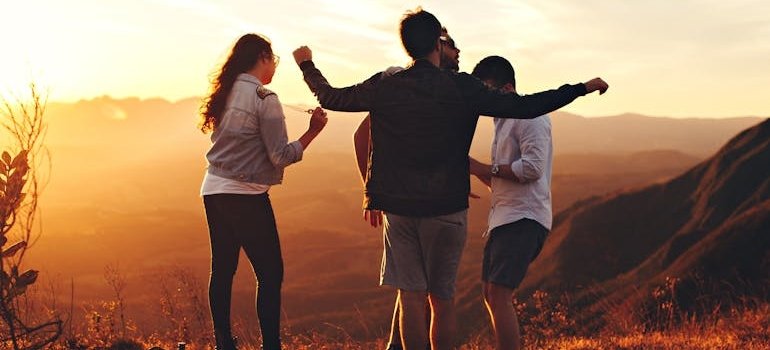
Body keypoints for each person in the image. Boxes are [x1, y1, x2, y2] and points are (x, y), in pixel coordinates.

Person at [293, 8, 608, 350]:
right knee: (442, 300)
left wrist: (307, 64)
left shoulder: (386, 85)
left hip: (398, 208)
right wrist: (581, 88)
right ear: (437, 45)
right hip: (447, 206)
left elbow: (331, 97)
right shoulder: (462, 87)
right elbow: (528, 106)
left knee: (411, 298)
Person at [199, 33, 328, 350]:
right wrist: (313, 132)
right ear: (263, 58)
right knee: (270, 273)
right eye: (274, 61)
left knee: (223, 269)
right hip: (246, 194)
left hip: (213, 189)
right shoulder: (264, 99)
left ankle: (223, 344)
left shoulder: (225, 93)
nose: (275, 68)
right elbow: (280, 156)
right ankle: (271, 345)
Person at [351, 27, 461, 350]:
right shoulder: (400, 82)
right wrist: (371, 192)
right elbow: (361, 136)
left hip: (427, 200)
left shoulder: (445, 89)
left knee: (414, 287)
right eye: (452, 46)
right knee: (417, 290)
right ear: (436, 47)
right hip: (404, 203)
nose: (458, 53)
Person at [468, 55, 553, 350]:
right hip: (505, 217)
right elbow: (502, 177)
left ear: (506, 88)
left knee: (499, 292)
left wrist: (482, 167)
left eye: (488, 92)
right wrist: (476, 170)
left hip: (524, 218)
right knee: (491, 293)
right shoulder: (502, 122)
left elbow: (531, 169)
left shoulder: (530, 116)